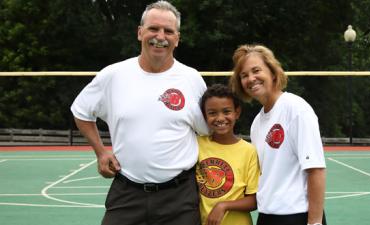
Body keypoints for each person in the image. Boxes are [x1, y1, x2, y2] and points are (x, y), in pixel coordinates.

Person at [70, 1, 208, 225]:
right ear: (140, 32)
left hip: (179, 197)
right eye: (153, 28)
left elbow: (206, 131)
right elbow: (81, 112)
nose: (160, 36)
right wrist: (101, 152)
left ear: (177, 39)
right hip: (127, 193)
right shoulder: (113, 75)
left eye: (168, 31)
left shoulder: (192, 79)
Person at [229, 44, 327, 225]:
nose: (251, 78)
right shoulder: (257, 123)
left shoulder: (295, 108)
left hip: (296, 215)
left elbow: (316, 169)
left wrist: (315, 223)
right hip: (267, 216)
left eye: (256, 70)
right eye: (244, 75)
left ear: (273, 73)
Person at [196, 84, 260, 225]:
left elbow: (254, 200)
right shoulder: (197, 144)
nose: (220, 118)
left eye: (226, 111)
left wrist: (223, 206)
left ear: (237, 113)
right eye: (212, 113)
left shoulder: (248, 151)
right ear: (205, 115)